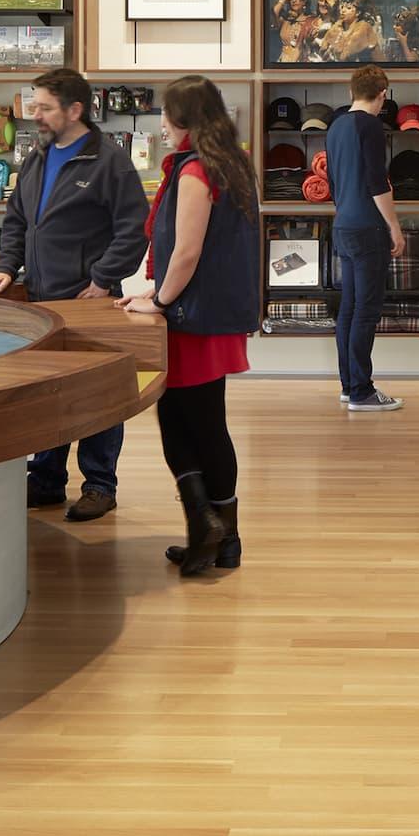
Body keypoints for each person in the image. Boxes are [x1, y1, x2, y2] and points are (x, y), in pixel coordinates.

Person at [0, 67, 149, 521]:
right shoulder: (36, 158)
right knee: (47, 391)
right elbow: (16, 220)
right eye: (35, 105)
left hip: (92, 300)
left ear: (75, 110)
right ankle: (46, 480)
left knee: (97, 395)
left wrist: (104, 278)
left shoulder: (109, 162)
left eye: (45, 107)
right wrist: (6, 268)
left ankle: (99, 486)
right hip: (42, 297)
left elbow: (134, 229)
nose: (36, 114)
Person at [124, 75, 258, 576]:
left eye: (166, 116)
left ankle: (206, 530)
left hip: (189, 320)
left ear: (185, 120)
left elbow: (186, 250)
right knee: (208, 425)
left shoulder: (194, 171)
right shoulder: (231, 164)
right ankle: (224, 538)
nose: (161, 126)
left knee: (180, 424)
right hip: (212, 317)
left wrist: (157, 300)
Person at [328, 64, 406, 411]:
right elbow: (378, 182)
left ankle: (349, 385)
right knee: (366, 310)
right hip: (368, 227)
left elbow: (332, 182)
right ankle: (362, 391)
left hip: (343, 224)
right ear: (383, 95)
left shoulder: (336, 125)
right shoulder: (371, 127)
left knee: (349, 308)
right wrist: (394, 225)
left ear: (351, 92)